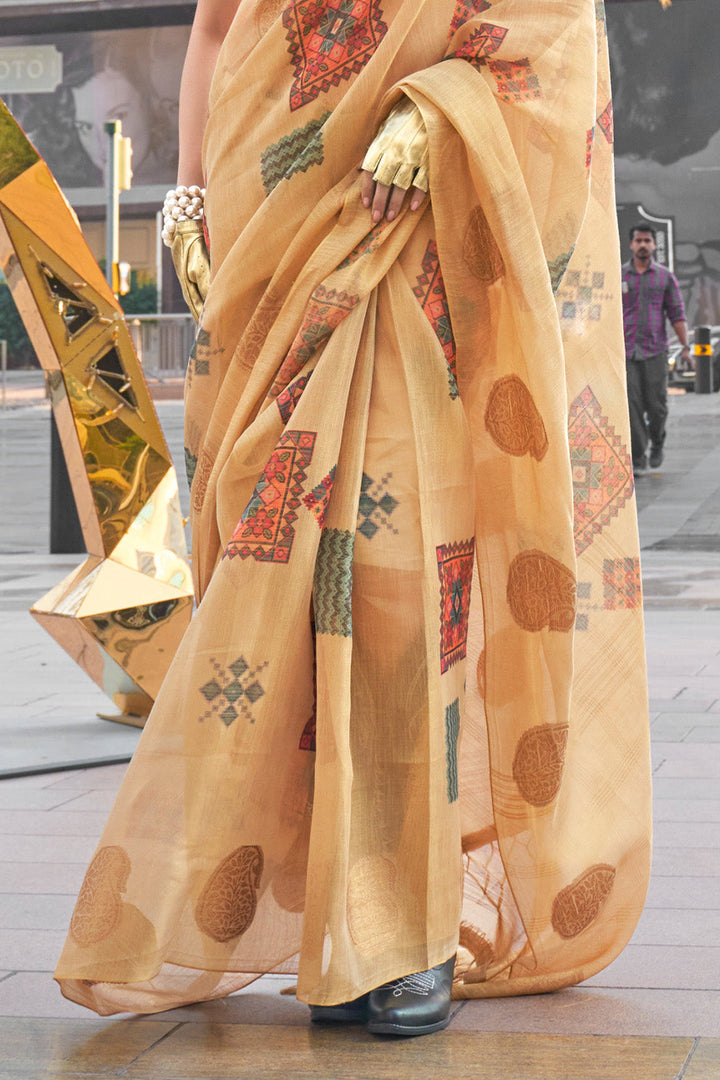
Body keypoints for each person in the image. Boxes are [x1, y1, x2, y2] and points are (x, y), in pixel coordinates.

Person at [56, 0, 652, 1038]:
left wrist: (443, 109)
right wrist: (189, 195)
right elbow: (212, 29)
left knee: (400, 575)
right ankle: (338, 905)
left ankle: (402, 925)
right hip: (269, 233)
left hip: (411, 234)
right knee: (273, 573)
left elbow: (550, 27)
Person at [622, 224, 690, 474]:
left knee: (657, 406)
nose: (642, 244)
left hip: (655, 351)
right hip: (627, 353)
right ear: (631, 244)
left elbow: (677, 313)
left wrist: (685, 347)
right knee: (633, 406)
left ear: (654, 245)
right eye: (638, 240)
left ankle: (658, 440)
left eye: (647, 240)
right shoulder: (619, 276)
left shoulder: (664, 277)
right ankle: (638, 458)